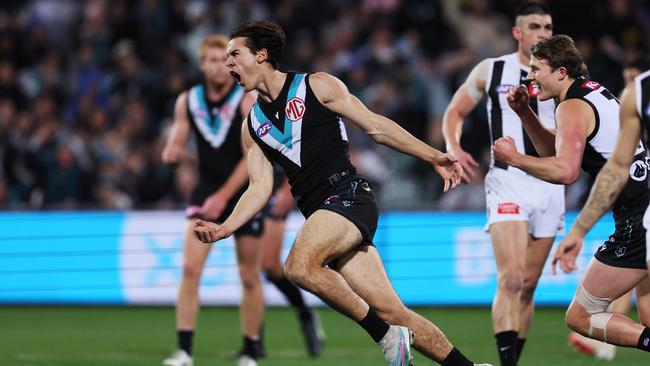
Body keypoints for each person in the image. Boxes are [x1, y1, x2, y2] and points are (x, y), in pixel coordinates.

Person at [193, 20, 492, 366]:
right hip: (326, 216)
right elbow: (258, 189)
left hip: (349, 196)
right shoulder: (253, 125)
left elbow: (376, 127)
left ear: (261, 55)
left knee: (298, 266)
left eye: (234, 54)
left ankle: (384, 336)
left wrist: (433, 156)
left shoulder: (316, 85)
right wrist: (224, 228)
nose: (226, 63)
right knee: (392, 310)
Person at [491, 34, 650, 355]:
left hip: (638, 217)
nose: (529, 75)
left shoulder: (571, 107)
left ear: (561, 72)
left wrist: (515, 159)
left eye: (536, 68)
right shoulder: (592, 93)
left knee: (581, 315)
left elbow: (566, 171)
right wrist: (525, 113)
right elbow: (557, 148)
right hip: (641, 204)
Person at [442, 3, 561, 365]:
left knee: (527, 287)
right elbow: (454, 112)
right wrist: (454, 147)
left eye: (548, 26)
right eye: (536, 26)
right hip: (507, 182)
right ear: (517, 33)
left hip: (551, 184)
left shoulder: (564, 74)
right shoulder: (493, 70)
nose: (543, 33)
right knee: (510, 279)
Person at [160, 34, 264, 366]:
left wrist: (224, 196)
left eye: (225, 60)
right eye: (213, 60)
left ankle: (249, 349)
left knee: (249, 275)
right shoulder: (188, 100)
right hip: (205, 192)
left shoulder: (246, 100)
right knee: (190, 269)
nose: (220, 66)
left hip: (244, 192)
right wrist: (172, 155)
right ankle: (184, 350)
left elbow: (251, 157)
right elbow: (174, 146)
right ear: (202, 64)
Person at [567, 57, 650, 361]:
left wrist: (577, 232)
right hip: (643, 214)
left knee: (581, 314)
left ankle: (608, 344)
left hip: (640, 213)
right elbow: (617, 168)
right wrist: (578, 230)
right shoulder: (635, 96)